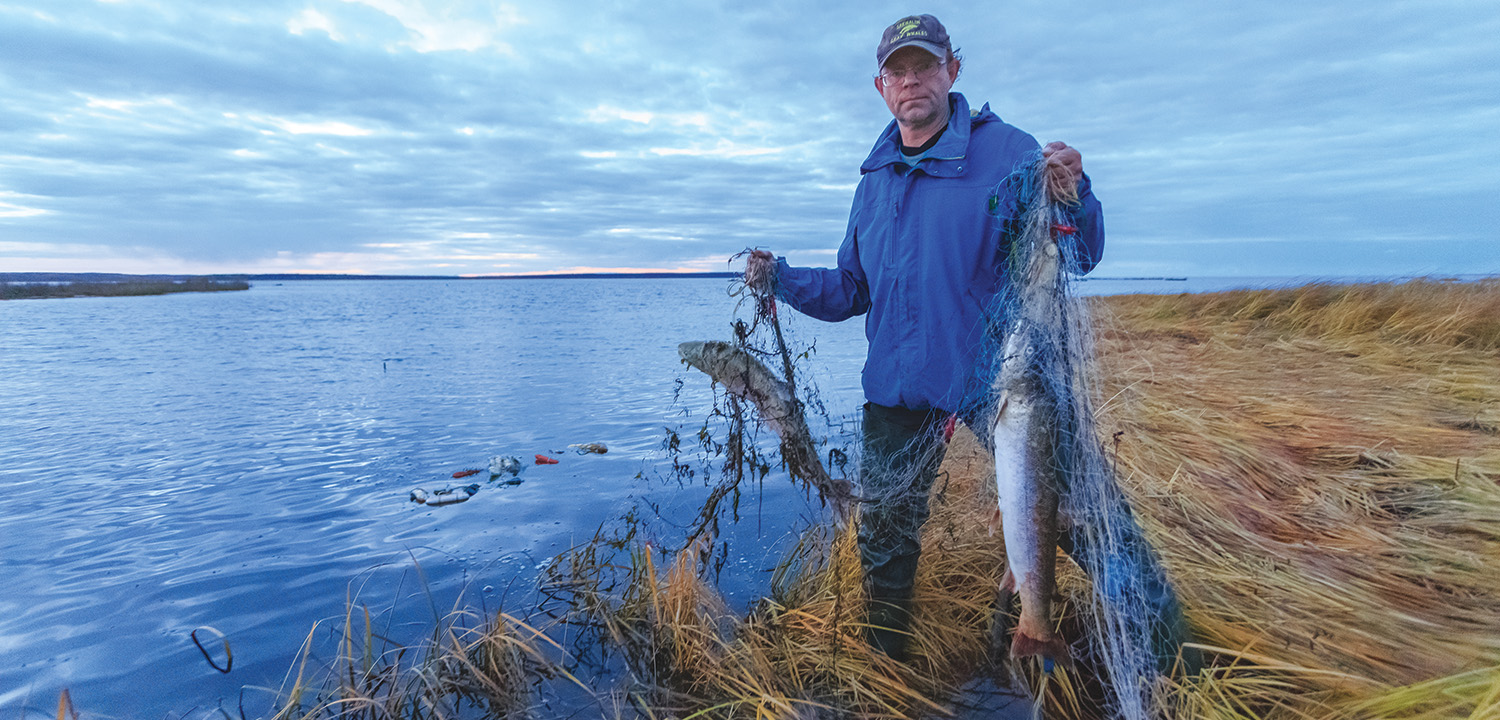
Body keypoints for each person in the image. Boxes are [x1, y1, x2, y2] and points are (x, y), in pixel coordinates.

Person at [743, 14, 1105, 661]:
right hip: (899, 387)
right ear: (881, 86)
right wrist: (783, 280)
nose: (912, 82)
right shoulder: (872, 181)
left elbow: (1077, 256)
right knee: (883, 535)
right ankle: (888, 663)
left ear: (952, 71)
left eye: (925, 66)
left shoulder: (1008, 153)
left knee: (1078, 513)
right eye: (898, 71)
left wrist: (1075, 197)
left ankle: (1170, 649)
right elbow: (853, 290)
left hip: (999, 381)